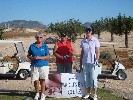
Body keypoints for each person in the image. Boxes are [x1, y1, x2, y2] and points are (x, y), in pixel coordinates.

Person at [27, 32, 50, 100]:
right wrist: (32, 58)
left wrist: (40, 58)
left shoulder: (45, 46)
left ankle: (42, 94)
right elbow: (28, 55)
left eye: (40, 37)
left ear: (42, 38)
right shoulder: (32, 46)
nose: (39, 39)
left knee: (42, 81)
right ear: (36, 38)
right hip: (34, 65)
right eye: (37, 37)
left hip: (43, 66)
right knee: (36, 81)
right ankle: (37, 94)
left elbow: (48, 56)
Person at [80, 26, 100, 100]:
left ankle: (94, 94)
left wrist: (96, 60)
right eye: (87, 30)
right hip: (85, 62)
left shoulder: (95, 40)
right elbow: (82, 53)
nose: (88, 32)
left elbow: (97, 51)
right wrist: (80, 63)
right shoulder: (83, 41)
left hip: (93, 62)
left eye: (89, 30)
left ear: (91, 31)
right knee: (86, 78)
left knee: (94, 78)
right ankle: (88, 93)